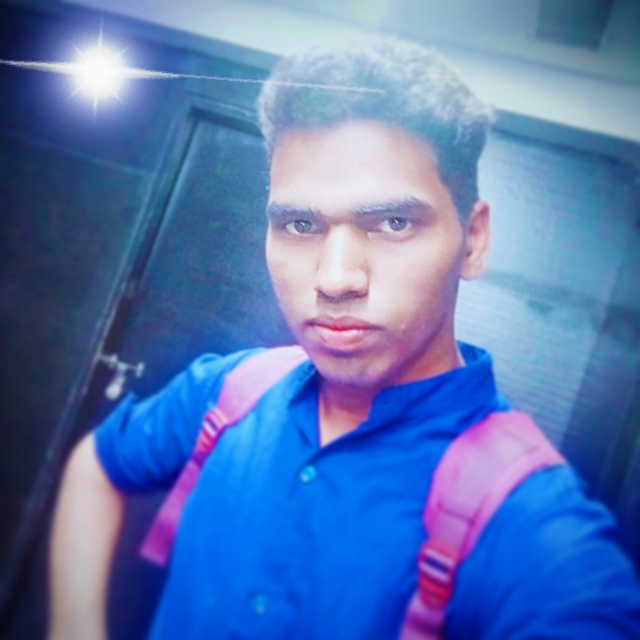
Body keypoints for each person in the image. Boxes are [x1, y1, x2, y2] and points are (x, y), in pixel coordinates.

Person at [48, 36, 640, 639]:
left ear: (474, 240)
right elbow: (99, 462)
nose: (334, 279)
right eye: (299, 224)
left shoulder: (528, 524)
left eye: (393, 223)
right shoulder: (233, 390)